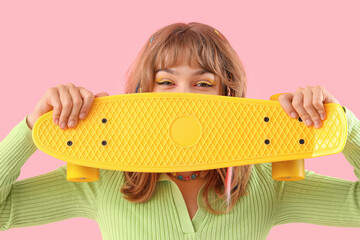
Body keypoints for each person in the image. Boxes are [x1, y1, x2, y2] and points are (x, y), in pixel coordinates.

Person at [1, 22, 359, 239]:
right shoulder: (104, 175)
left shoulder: (266, 180)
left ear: (228, 94)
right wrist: (33, 124)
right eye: (166, 81)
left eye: (203, 84)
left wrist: (341, 120)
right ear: (143, 92)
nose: (184, 96)